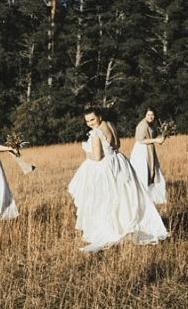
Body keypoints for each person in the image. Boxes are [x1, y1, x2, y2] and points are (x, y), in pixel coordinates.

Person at [67, 103, 169, 252]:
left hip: (104, 167)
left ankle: (111, 230)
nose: (90, 124)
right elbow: (117, 144)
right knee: (122, 198)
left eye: (92, 120)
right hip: (118, 161)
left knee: (105, 201)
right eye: (87, 121)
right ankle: (124, 226)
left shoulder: (96, 134)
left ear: (99, 117)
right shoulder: (110, 125)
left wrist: (87, 154)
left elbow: (96, 157)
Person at [129, 106, 167, 206]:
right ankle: (142, 199)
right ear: (145, 115)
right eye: (148, 115)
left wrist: (163, 134)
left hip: (149, 149)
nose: (151, 117)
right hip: (142, 151)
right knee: (143, 173)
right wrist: (155, 140)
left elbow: (152, 136)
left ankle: (153, 198)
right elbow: (140, 140)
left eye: (152, 115)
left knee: (153, 172)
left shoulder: (150, 125)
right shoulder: (142, 125)